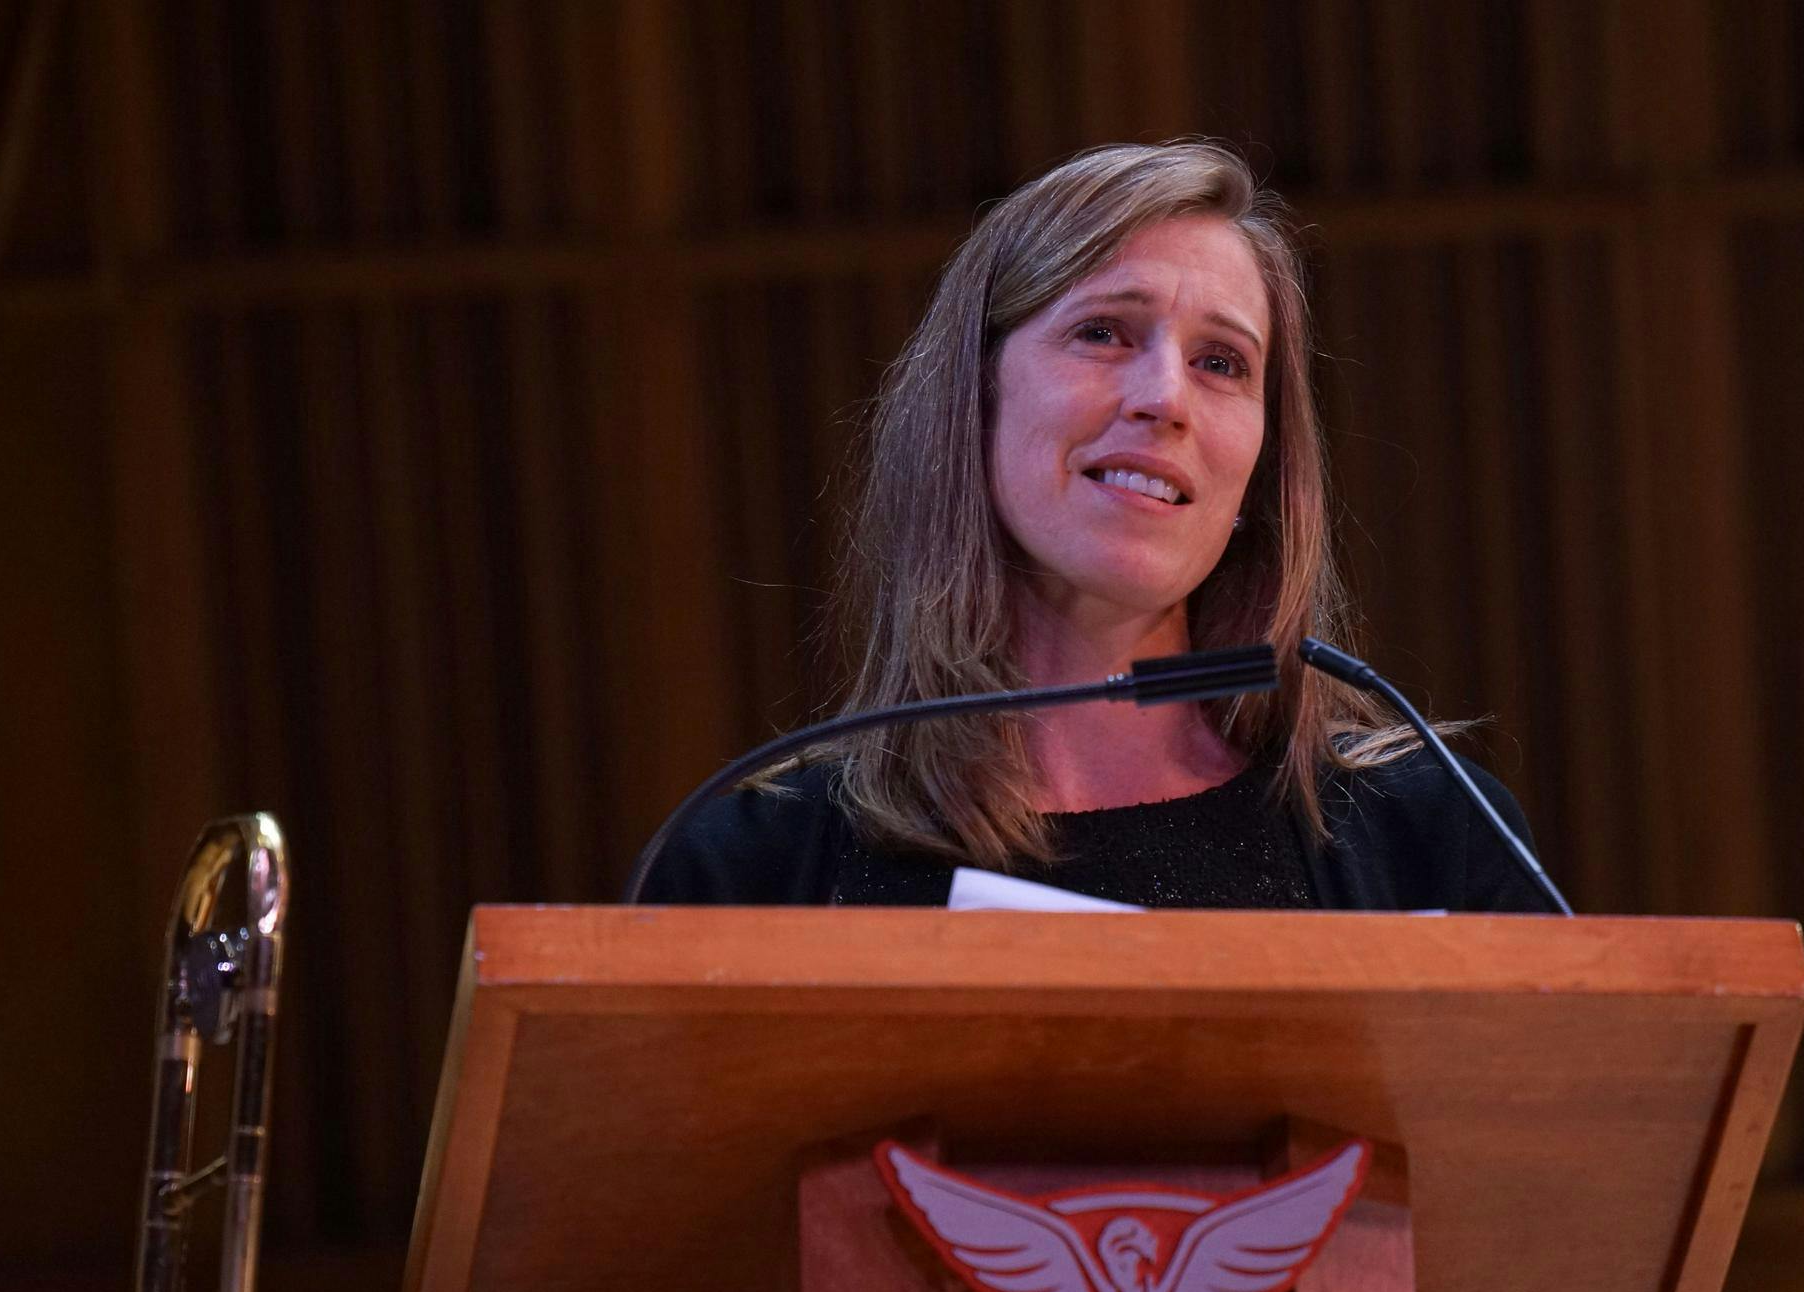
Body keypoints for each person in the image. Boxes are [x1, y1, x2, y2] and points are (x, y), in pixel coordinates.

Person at [645, 141, 1546, 913]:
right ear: (976, 395)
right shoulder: (755, 866)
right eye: (1106, 333)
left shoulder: (1425, 832)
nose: (1164, 398)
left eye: (1222, 361)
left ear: (1263, 463)